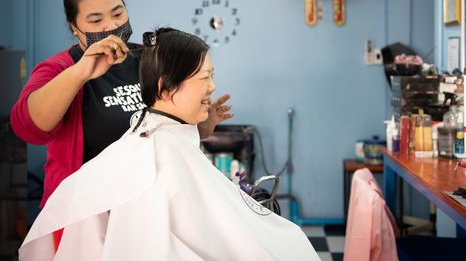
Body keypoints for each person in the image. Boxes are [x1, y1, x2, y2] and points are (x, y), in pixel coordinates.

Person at [19, 27, 319, 260]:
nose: (213, 87)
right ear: (165, 89)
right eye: (204, 78)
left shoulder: (150, 134)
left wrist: (200, 127)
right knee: (290, 242)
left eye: (212, 76)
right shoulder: (156, 160)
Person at [10, 0, 232, 210]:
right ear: (74, 28)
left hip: (145, 205)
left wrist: (201, 129)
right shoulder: (60, 69)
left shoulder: (149, 59)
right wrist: (80, 73)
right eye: (95, 21)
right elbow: (28, 128)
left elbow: (167, 125)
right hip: (86, 212)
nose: (112, 26)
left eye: (118, 14)